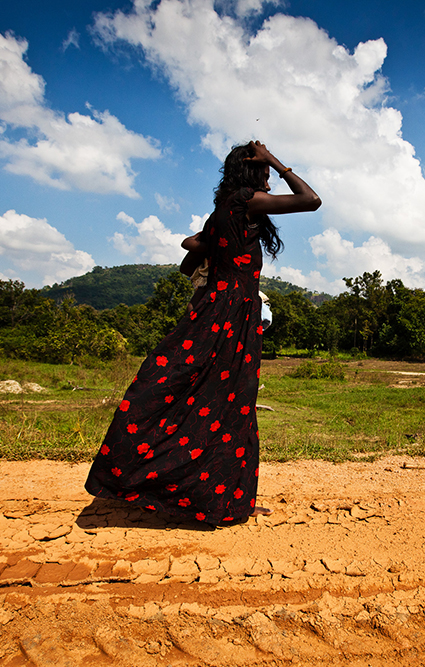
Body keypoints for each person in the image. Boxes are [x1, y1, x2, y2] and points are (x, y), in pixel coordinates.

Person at [84, 141, 320, 526]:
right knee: (230, 404)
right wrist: (276, 162)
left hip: (218, 309)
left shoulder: (223, 211)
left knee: (213, 399)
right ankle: (209, 497)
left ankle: (226, 499)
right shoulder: (246, 200)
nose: (266, 176)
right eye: (261, 169)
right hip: (234, 312)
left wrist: (207, 251)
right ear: (252, 171)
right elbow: (311, 200)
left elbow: (186, 262)